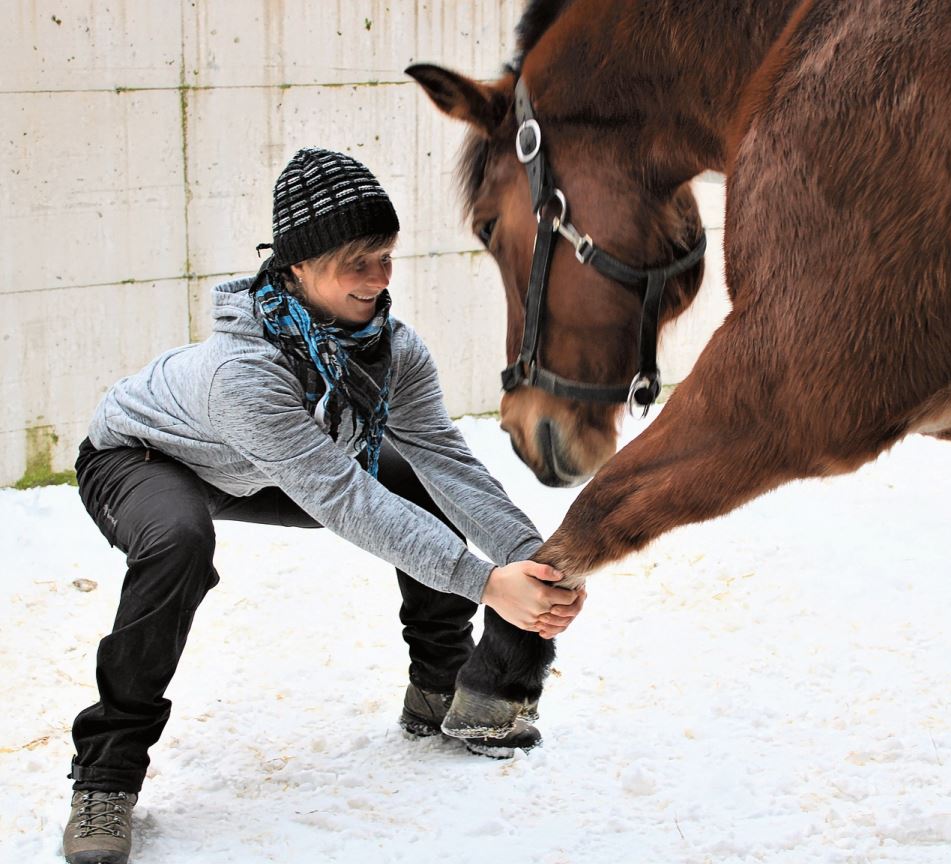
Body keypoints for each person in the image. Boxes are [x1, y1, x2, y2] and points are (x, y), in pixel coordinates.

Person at [62, 147, 585, 864]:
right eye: (355, 262)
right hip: (143, 455)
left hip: (259, 465)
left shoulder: (394, 350)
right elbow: (343, 498)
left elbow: (445, 458)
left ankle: (440, 689)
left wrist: (533, 558)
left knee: (407, 475)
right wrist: (488, 584)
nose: (377, 279)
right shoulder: (246, 373)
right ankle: (105, 778)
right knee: (178, 543)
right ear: (298, 266)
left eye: (385, 256)